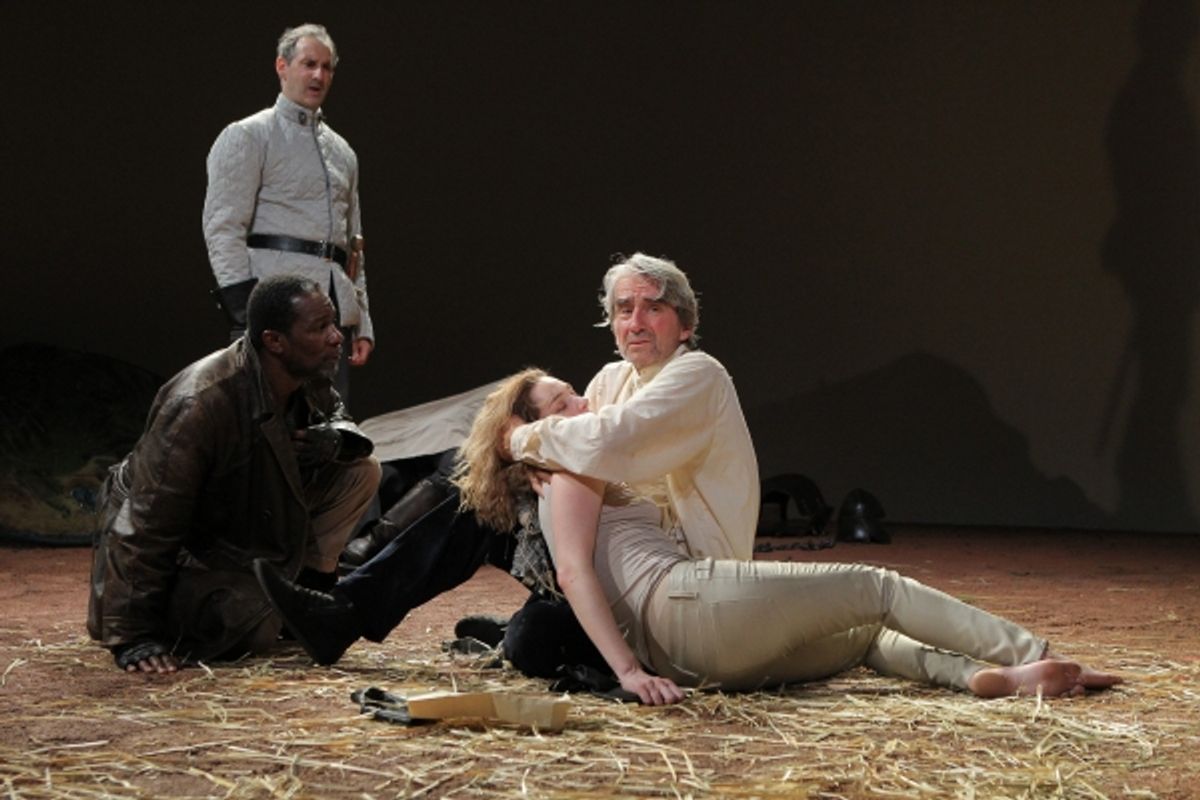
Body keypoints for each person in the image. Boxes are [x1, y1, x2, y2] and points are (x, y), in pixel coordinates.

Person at [472, 368, 1123, 706]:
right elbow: (573, 577)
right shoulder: (569, 467)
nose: (581, 405)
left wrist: (646, 665)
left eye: (573, 395)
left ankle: (988, 679)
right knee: (876, 586)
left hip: (691, 661)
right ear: (530, 428)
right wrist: (626, 673)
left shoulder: (556, 479)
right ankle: (1032, 651)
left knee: (862, 639)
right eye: (562, 403)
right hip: (686, 605)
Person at [87, 275, 381, 674]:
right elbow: (146, 520)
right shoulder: (199, 403)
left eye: (333, 325)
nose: (336, 338)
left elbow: (338, 417)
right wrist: (133, 634)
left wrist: (335, 439)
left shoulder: (306, 374)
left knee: (360, 470)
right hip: (192, 542)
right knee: (256, 620)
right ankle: (267, 607)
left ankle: (306, 594)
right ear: (274, 341)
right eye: (319, 328)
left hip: (239, 517)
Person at [203, 23, 373, 403]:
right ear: (282, 66)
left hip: (330, 317)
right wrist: (246, 312)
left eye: (327, 67)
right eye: (309, 63)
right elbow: (223, 226)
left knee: (328, 435)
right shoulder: (248, 135)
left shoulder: (343, 153)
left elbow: (353, 245)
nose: (319, 75)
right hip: (274, 312)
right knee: (265, 431)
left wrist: (362, 320)